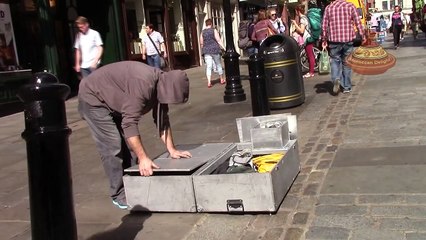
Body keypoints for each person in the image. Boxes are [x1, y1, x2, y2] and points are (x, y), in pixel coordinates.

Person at [78, 61, 192, 209]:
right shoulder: (143, 85)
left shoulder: (163, 85)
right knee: (112, 145)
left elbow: (162, 120)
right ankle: (118, 193)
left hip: (115, 99)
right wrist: (143, 158)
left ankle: (133, 183)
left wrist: (172, 149)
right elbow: (129, 124)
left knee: (131, 147)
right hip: (93, 97)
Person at [321, 0, 365, 94]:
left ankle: (336, 78)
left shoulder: (329, 8)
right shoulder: (350, 6)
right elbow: (358, 23)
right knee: (346, 63)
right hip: (348, 40)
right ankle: (346, 87)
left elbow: (324, 26)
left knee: (335, 61)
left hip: (334, 40)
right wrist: (363, 36)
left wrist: (324, 40)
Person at [199, 18, 226, 88]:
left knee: (209, 66)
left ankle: (209, 82)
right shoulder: (214, 30)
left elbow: (201, 43)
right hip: (215, 50)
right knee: (218, 64)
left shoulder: (202, 32)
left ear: (206, 24)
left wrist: (204, 49)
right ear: (211, 24)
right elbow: (218, 40)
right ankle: (221, 79)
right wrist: (224, 47)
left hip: (207, 51)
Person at [292, 4, 315, 78]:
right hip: (309, 38)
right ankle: (311, 71)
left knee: (310, 55)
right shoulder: (305, 17)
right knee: (310, 55)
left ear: (298, 11)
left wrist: (295, 24)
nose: (295, 12)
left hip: (307, 38)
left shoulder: (302, 19)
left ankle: (311, 72)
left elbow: (302, 31)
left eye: (295, 10)